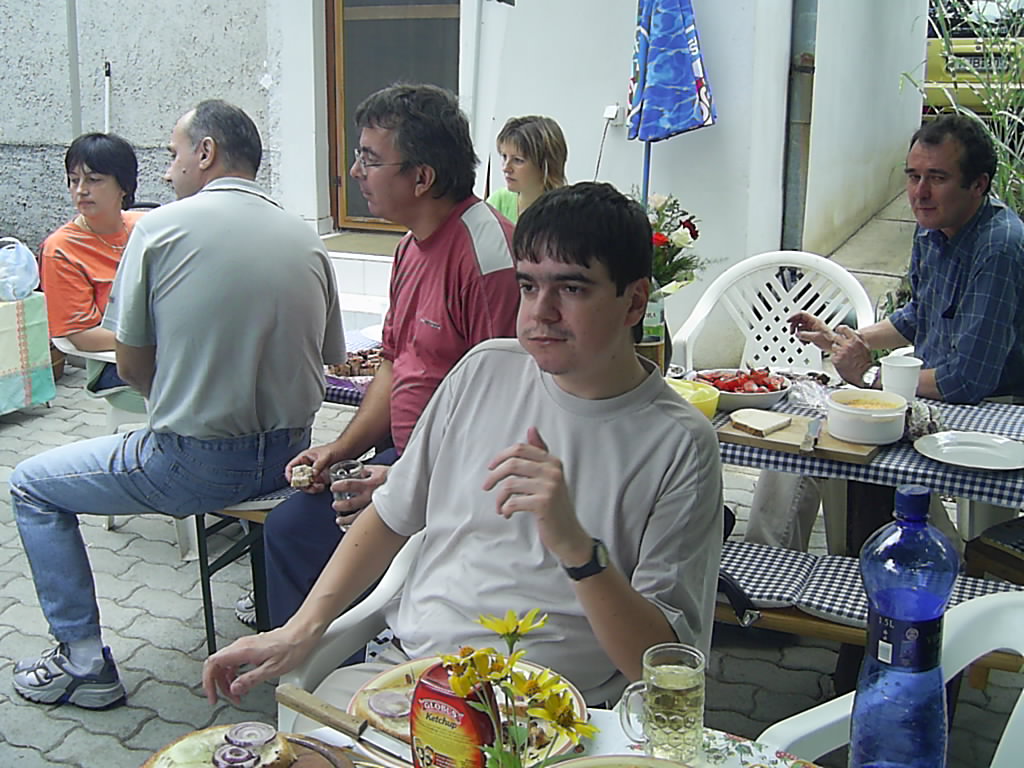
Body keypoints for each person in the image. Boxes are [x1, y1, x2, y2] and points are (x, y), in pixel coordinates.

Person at [203, 181, 724, 709]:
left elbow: (659, 664)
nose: (541, 312)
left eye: (572, 289)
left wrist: (577, 549)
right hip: (410, 677)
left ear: (634, 302)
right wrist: (300, 628)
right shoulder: (485, 369)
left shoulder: (678, 443)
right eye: (528, 286)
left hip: (546, 712)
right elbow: (390, 516)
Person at [10, 99, 344, 709]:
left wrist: (189, 394)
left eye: (172, 154)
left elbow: (133, 366)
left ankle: (83, 663)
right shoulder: (305, 235)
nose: (167, 171)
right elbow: (329, 357)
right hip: (293, 457)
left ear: (206, 153)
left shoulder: (159, 230)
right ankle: (261, 597)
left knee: (31, 484)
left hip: (196, 461)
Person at [253, 84, 520, 630]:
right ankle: (314, 662)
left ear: (422, 178)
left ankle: (342, 665)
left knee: (299, 535)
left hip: (462, 477)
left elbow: (507, 416)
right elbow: (395, 366)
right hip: (406, 457)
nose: (355, 172)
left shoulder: (488, 258)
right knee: (289, 529)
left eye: (370, 160)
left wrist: (404, 484)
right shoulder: (408, 246)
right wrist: (342, 449)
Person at [746, 114, 1024, 551]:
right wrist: (842, 338)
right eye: (913, 176)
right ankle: (770, 566)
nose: (919, 192)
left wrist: (870, 377)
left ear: (978, 185)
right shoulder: (934, 228)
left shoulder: (999, 245)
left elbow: (967, 381)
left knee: (843, 439)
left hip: (990, 414)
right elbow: (918, 316)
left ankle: (940, 560)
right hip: (931, 400)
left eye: (937, 178)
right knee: (801, 436)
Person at [39, 133, 146, 404]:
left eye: (94, 180)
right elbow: (82, 337)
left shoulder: (146, 227)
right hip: (118, 363)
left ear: (123, 186)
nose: (81, 190)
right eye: (74, 180)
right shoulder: (61, 249)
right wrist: (157, 341)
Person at [486, 115, 567, 222]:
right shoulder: (498, 201)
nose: (505, 168)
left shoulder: (565, 213)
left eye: (518, 160)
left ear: (546, 165)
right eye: (504, 157)